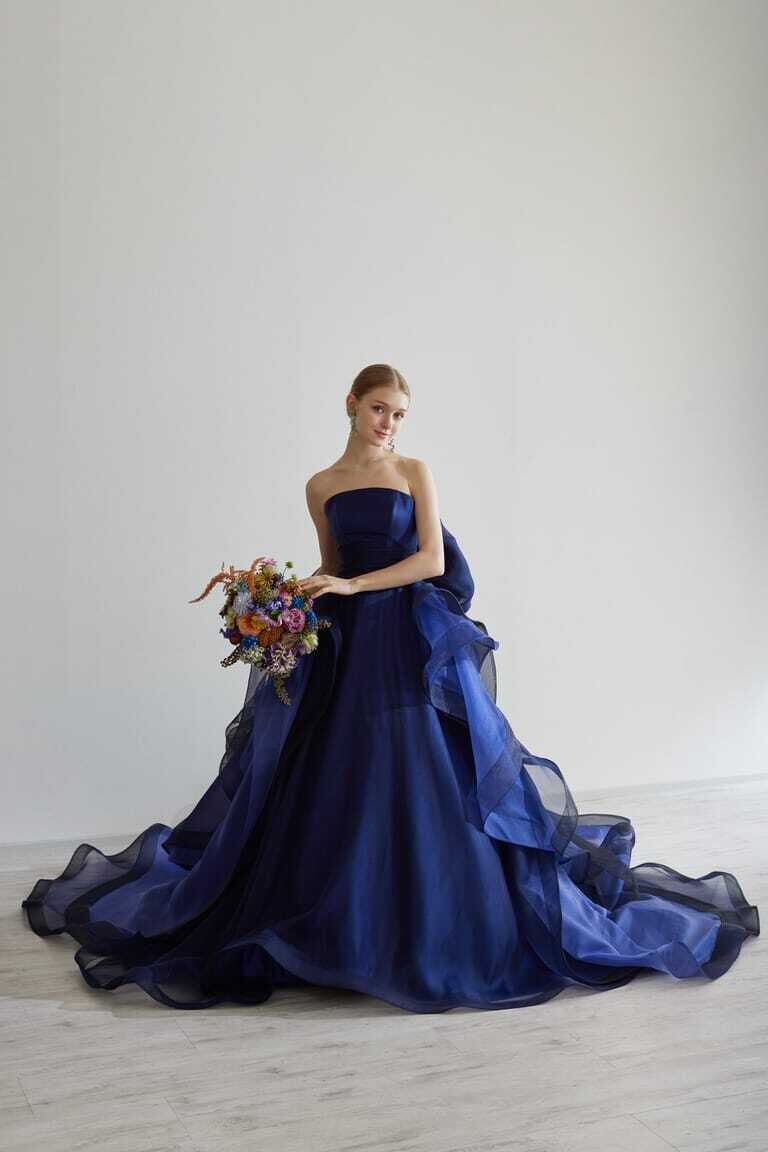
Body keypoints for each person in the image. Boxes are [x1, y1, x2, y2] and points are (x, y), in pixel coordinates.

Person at [21, 363, 760, 1012]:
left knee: (421, 772)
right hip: (344, 643)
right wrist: (289, 602)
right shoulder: (320, 484)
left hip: (404, 637)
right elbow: (331, 562)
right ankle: (335, 924)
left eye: (400, 414)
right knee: (335, 777)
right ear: (351, 404)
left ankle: (432, 922)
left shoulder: (414, 472)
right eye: (380, 409)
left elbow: (431, 560)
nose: (390, 424)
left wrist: (351, 584)